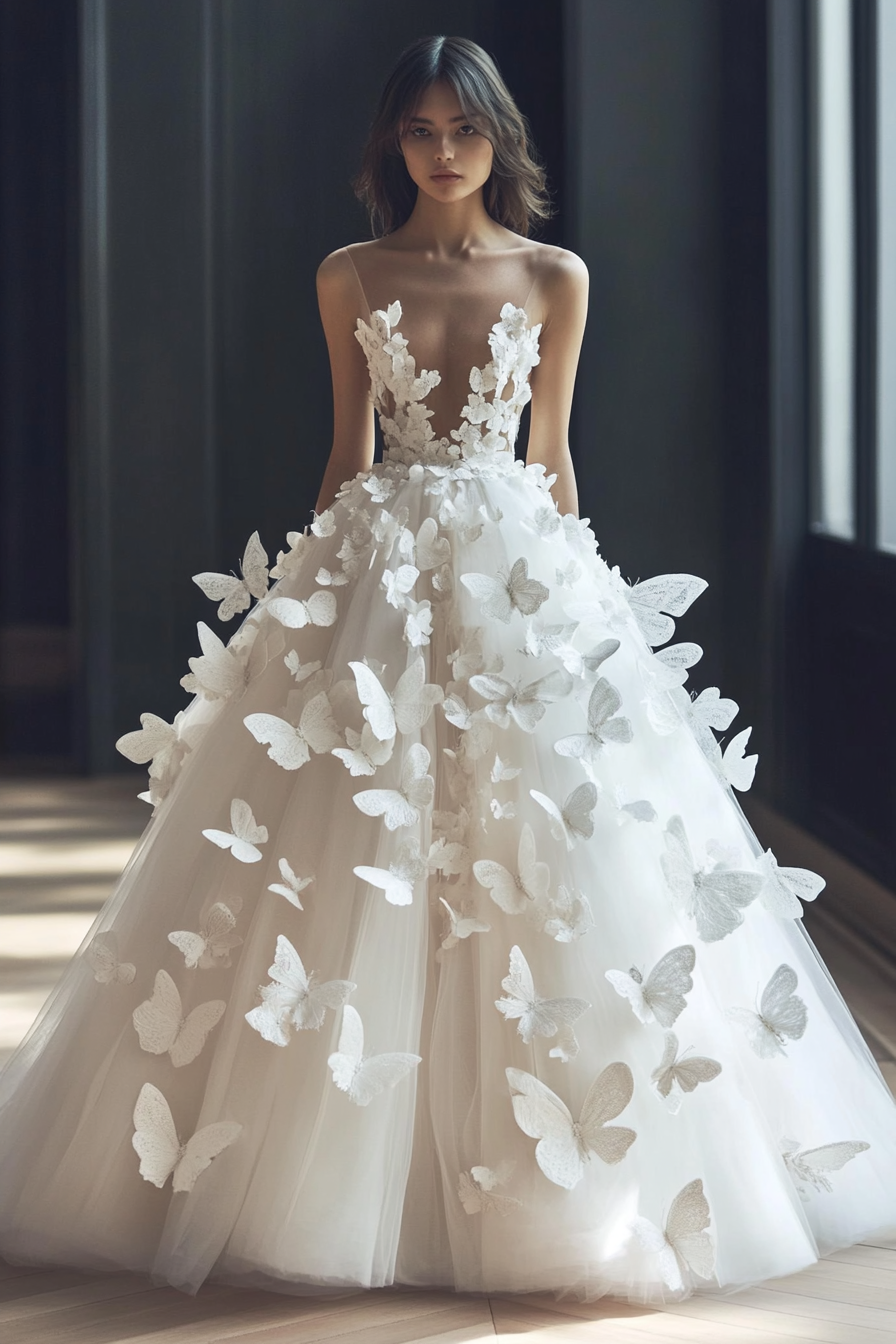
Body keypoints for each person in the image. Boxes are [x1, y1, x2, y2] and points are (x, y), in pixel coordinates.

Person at [1, 34, 895, 1307]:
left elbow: (554, 453)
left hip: (523, 568)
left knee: (538, 852)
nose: (440, 153)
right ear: (391, 145)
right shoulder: (349, 272)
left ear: (497, 140)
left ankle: (551, 1184)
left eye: (461, 132)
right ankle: (333, 1172)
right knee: (351, 850)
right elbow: (346, 450)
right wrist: (296, 611)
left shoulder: (554, 275)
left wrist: (577, 592)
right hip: (374, 569)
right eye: (418, 132)